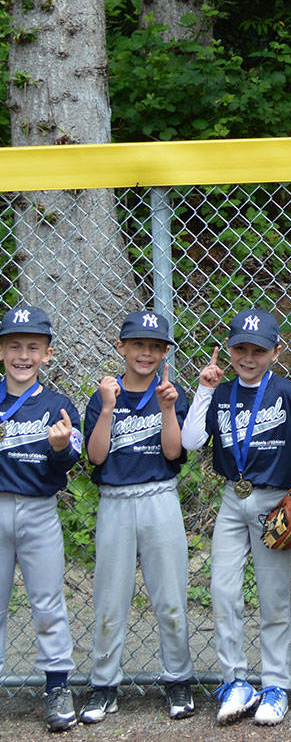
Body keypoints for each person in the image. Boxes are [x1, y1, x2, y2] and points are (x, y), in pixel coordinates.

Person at [180, 308, 291, 726]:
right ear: (229, 350)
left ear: (276, 351)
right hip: (231, 500)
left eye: (258, 350)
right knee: (223, 592)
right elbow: (191, 441)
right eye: (240, 348)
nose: (248, 357)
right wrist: (203, 390)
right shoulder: (220, 393)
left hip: (275, 502)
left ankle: (276, 684)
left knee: (274, 600)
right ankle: (235, 679)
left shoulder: (289, 394)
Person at [79, 310, 195, 724]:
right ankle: (104, 684)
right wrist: (108, 409)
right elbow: (95, 456)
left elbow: (172, 453)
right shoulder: (103, 396)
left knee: (170, 599)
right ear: (121, 348)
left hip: (159, 497)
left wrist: (168, 410)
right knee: (110, 600)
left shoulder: (169, 393)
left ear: (164, 352)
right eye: (138, 345)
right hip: (114, 501)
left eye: (155, 346)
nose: (146, 353)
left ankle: (178, 678)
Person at [0, 305, 82, 732]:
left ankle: (56, 685)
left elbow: (69, 460)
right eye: (14, 345)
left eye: (33, 347)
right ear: (1, 351)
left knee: (48, 603)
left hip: (38, 511)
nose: (23, 355)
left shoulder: (57, 405)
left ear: (47, 354)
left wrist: (58, 448)